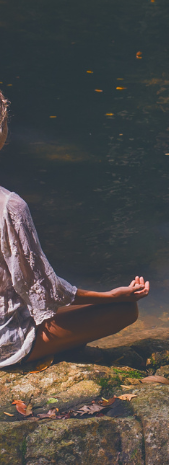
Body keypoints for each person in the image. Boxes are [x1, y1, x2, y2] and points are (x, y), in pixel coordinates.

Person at [0, 89, 149, 367]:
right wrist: (111, 296)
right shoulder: (9, 206)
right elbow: (47, 291)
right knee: (124, 310)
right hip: (5, 343)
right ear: (2, 132)